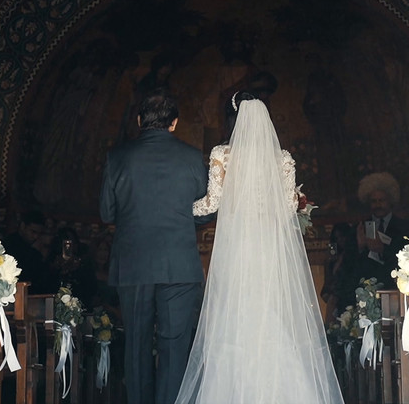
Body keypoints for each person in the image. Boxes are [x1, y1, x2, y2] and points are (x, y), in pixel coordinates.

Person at [176, 92, 343, 404]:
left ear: (232, 119)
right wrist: (295, 202)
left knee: (235, 318)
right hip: (269, 252)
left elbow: (211, 204)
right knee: (271, 316)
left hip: (236, 252)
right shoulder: (282, 158)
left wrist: (178, 208)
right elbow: (289, 204)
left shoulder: (222, 155)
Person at [100, 91, 208, 404]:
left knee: (136, 344)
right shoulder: (191, 157)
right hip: (179, 263)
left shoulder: (116, 157)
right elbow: (206, 213)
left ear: (138, 121)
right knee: (174, 346)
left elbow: (107, 213)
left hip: (132, 264)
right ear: (174, 123)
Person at [355, 172, 409, 290]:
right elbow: (351, 264)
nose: (378, 205)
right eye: (374, 201)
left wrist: (382, 249)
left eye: (381, 200)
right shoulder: (360, 228)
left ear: (390, 201)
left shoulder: (405, 227)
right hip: (367, 289)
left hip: (395, 287)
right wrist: (360, 247)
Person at [3, 210, 58, 294]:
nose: (35, 237)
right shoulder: (8, 245)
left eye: (39, 233)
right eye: (33, 232)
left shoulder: (33, 251)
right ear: (22, 226)